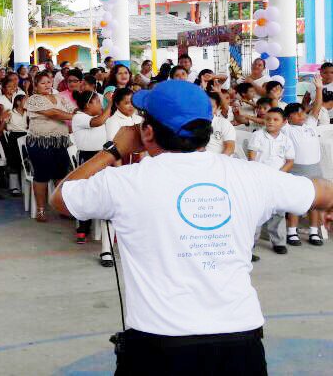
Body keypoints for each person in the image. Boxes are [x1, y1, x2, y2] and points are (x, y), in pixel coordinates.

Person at [50, 79, 333, 374]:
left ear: (147, 132)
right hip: (239, 343)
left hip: (157, 345)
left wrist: (113, 150)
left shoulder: (125, 181)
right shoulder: (253, 176)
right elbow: (324, 191)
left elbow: (61, 198)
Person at [25, 72, 75, 222]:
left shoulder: (59, 97)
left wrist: (78, 113)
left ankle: (62, 208)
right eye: (43, 83)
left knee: (61, 174)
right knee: (42, 175)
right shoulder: (33, 99)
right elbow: (54, 113)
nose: (47, 85)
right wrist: (76, 117)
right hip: (40, 142)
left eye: (48, 82)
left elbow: (72, 109)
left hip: (60, 141)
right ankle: (40, 210)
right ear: (35, 86)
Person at [283, 88, 325, 247]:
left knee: (315, 201)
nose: (302, 116)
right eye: (297, 114)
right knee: (296, 200)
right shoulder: (287, 129)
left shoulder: (310, 125)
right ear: (288, 118)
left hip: (315, 168)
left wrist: (319, 89)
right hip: (297, 170)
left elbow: (317, 107)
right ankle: (291, 232)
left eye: (303, 113)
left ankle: (314, 231)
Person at [71, 90, 107, 244]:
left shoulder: (98, 115)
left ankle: (105, 225)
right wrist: (110, 104)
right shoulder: (79, 117)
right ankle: (83, 227)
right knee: (86, 190)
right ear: (87, 105)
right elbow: (98, 122)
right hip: (87, 157)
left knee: (103, 189)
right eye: (97, 102)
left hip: (102, 155)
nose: (100, 105)